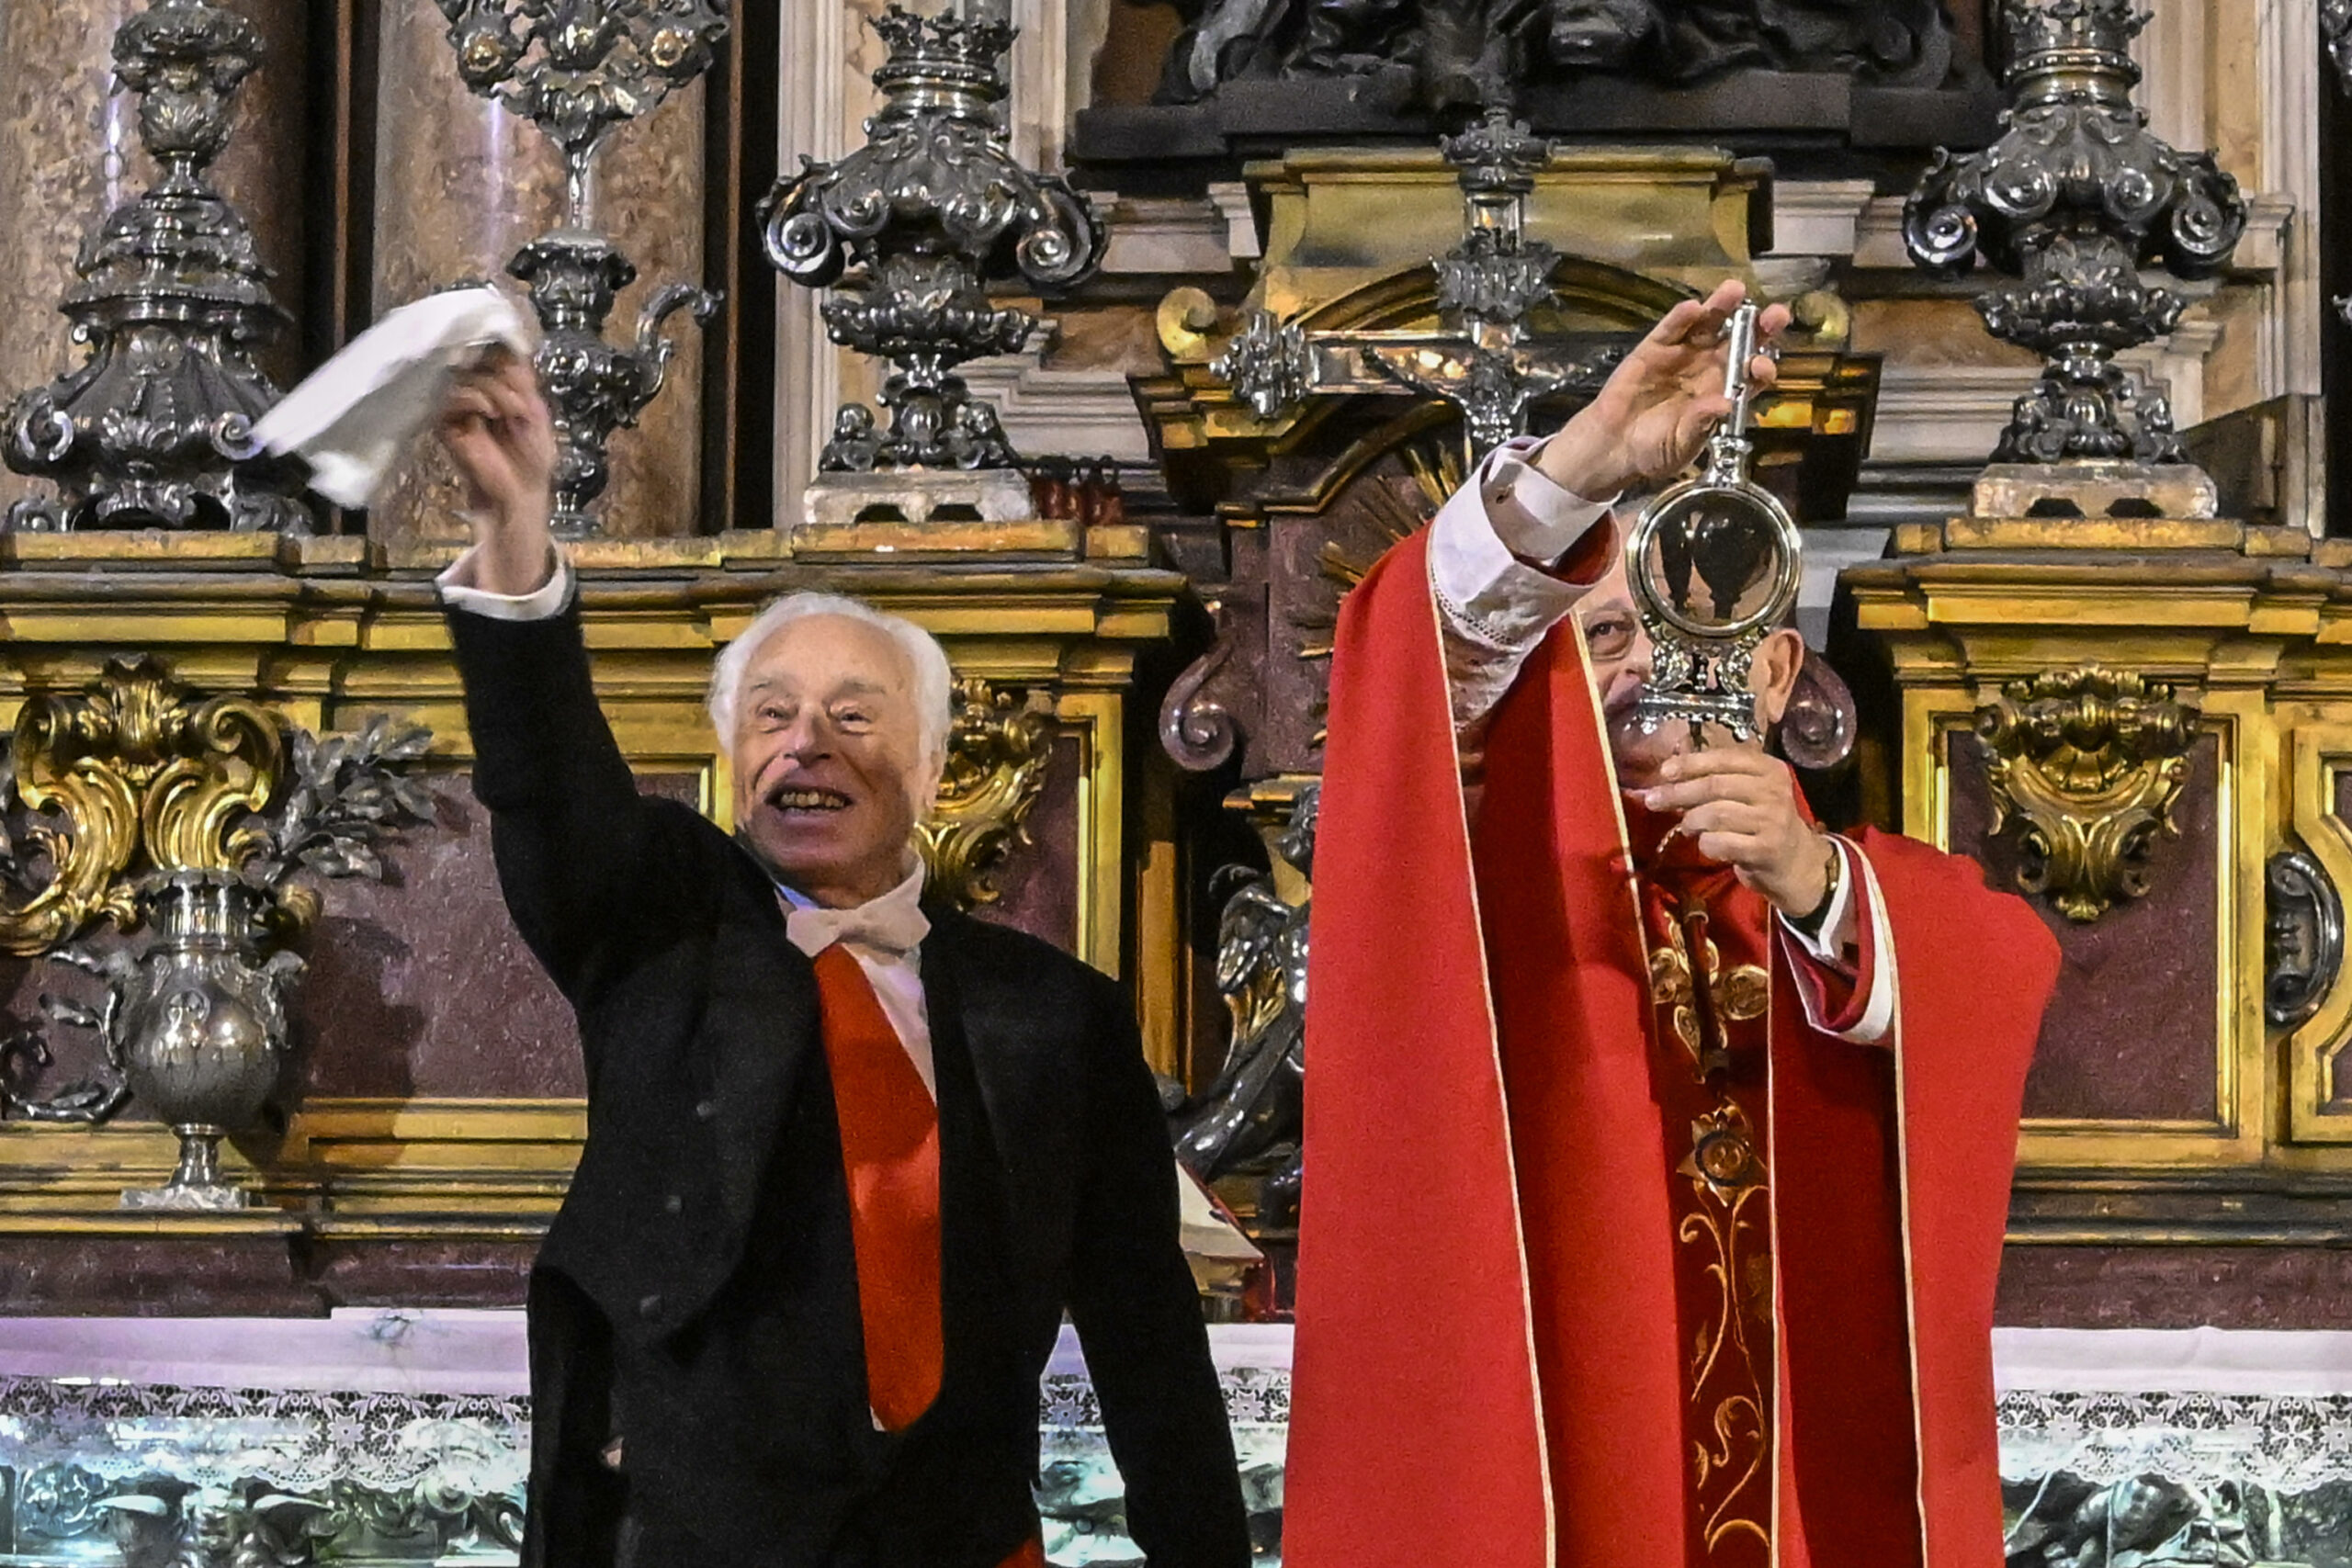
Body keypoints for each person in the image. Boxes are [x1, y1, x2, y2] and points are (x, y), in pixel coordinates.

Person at [1283, 280, 2062, 1568]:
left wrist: (1812, 883)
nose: (1646, 662)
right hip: (1582, 1443)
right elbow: (1419, 645)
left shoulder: (1860, 899)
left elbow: (2001, 968)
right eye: (1603, 635)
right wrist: (1586, 461)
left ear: (1777, 671)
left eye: (1696, 624)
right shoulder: (1489, 889)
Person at [431, 354, 1250, 1568]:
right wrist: (512, 538)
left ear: (930, 770)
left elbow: (1148, 1337)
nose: (805, 739)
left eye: (855, 715)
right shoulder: (660, 933)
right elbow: (550, 784)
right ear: (731, 761)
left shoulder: (1054, 1016)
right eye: (771, 714)